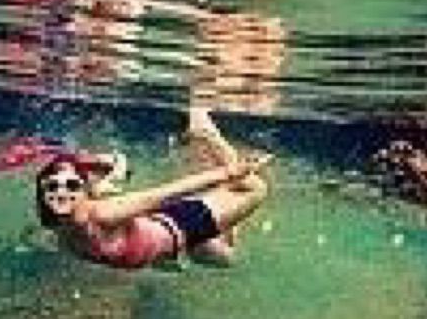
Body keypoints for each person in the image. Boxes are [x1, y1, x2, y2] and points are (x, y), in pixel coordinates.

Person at [34, 109, 270, 269]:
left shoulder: (104, 213)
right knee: (227, 260)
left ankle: (207, 134)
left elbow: (168, 193)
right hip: (168, 243)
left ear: (83, 192)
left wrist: (228, 173)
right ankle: (227, 200)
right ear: (42, 194)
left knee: (256, 188)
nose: (61, 192)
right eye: (52, 186)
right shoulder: (56, 223)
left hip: (184, 224)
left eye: (71, 185)